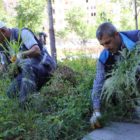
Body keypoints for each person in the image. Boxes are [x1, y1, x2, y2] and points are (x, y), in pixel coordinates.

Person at [90, 22, 140, 128]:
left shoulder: (137, 39)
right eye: (102, 44)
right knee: (110, 83)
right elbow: (99, 82)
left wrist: (135, 71)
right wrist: (96, 111)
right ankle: (132, 111)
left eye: (108, 42)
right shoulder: (105, 56)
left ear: (116, 35)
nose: (106, 47)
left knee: (131, 73)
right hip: (130, 85)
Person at [0, 21, 57, 105]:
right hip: (28, 73)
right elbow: (4, 66)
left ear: (2, 31)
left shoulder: (22, 33)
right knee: (10, 93)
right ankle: (34, 101)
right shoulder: (2, 46)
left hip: (44, 67)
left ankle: (24, 105)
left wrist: (19, 56)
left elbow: (36, 50)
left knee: (28, 70)